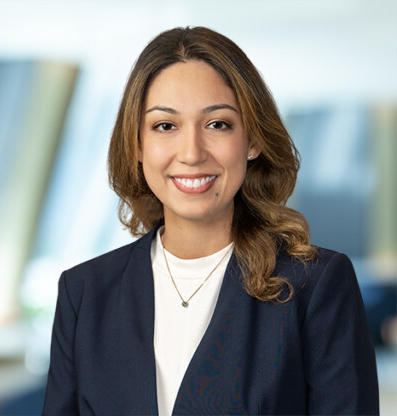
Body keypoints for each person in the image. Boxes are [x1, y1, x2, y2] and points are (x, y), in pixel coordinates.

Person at [42, 26, 379, 415]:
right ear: (136, 144)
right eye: (165, 126)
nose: (191, 152)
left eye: (217, 124)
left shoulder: (315, 286)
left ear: (252, 140)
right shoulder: (84, 293)